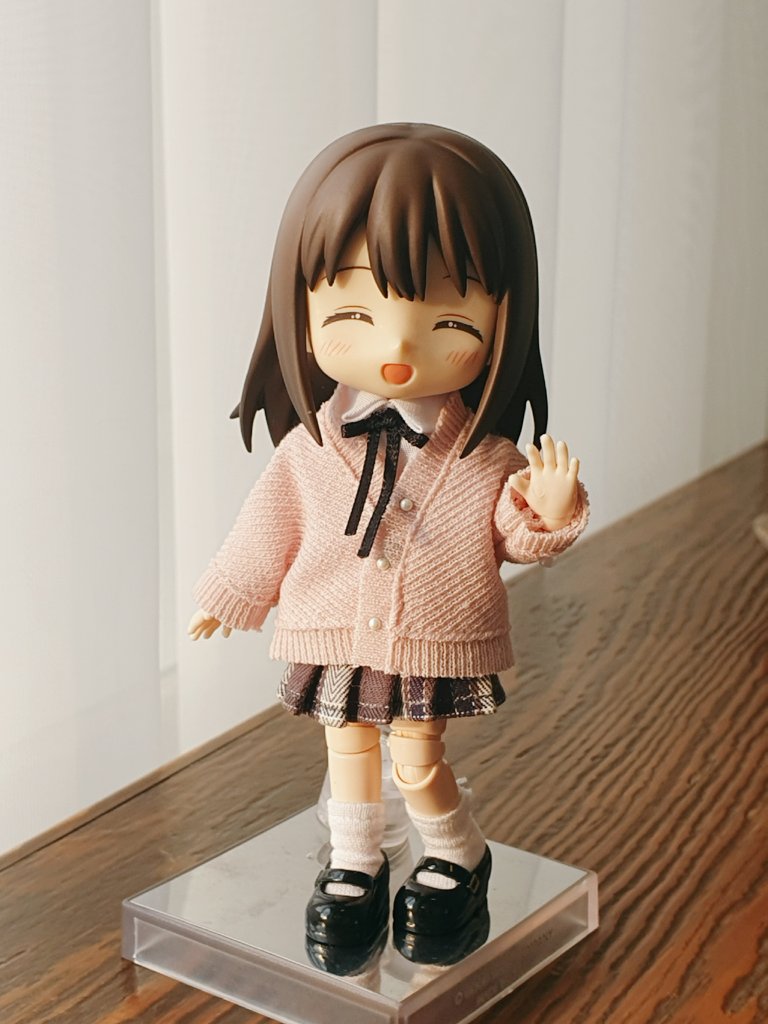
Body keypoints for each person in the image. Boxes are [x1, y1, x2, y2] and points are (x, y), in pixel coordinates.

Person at [188, 123, 588, 957]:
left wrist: (545, 512)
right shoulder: (310, 449)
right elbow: (269, 527)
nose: (400, 346)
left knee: (415, 758)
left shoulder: (482, 455)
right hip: (334, 630)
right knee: (347, 751)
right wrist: (231, 593)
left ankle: (457, 854)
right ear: (300, 312)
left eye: (447, 320)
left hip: (431, 639)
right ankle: (355, 864)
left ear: (502, 319)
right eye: (354, 314)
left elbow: (509, 531)